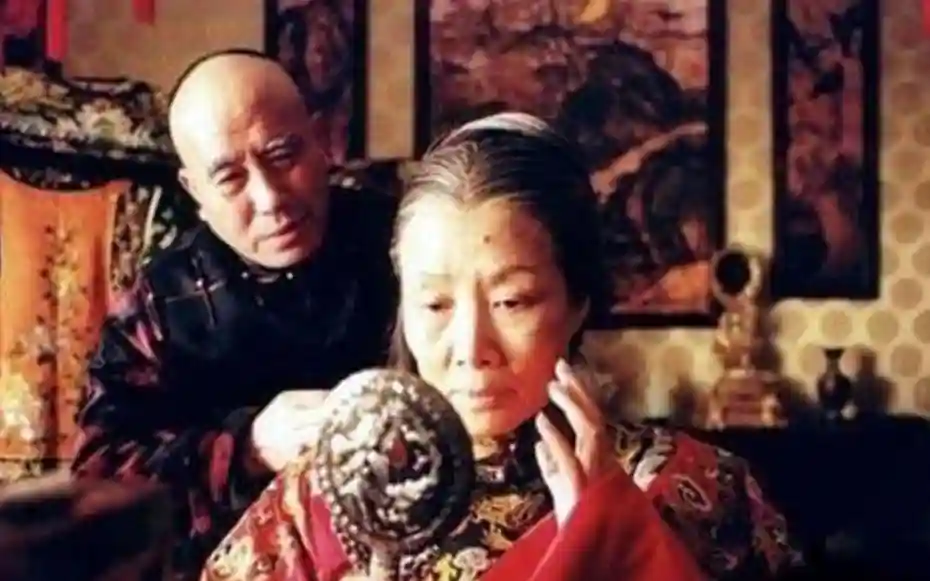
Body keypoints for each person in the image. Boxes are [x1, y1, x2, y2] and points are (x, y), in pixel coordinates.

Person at [200, 113, 802, 581]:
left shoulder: (699, 490)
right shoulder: (320, 500)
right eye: (435, 305)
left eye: (512, 302)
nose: (471, 348)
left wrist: (617, 541)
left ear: (578, 301)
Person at [70, 49, 397, 579]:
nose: (270, 199)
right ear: (195, 192)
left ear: (321, 141)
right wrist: (247, 448)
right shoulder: (163, 300)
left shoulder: (403, 246)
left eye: (283, 155)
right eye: (229, 178)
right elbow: (99, 483)